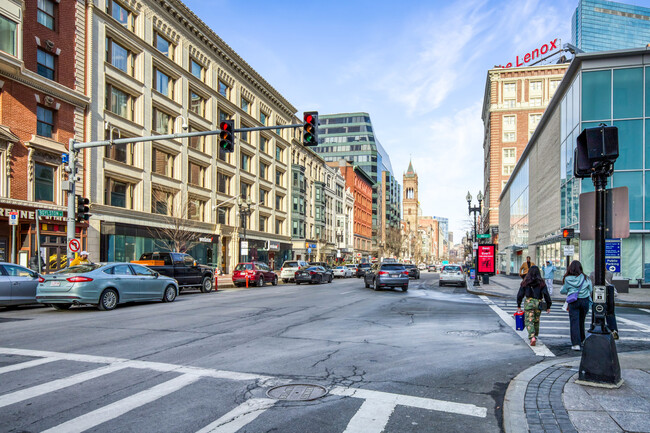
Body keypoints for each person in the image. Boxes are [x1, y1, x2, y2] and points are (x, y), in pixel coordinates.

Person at [560, 260, 593, 351]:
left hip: (573, 301)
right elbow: (590, 289)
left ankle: (576, 344)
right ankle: (582, 339)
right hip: (584, 300)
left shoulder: (567, 279)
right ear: (580, 268)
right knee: (581, 321)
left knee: (574, 322)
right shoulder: (586, 278)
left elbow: (563, 290)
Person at [517, 266, 552, 347]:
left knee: (529, 321)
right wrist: (548, 306)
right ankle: (535, 336)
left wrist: (518, 305)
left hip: (529, 303)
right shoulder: (541, 282)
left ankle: (532, 336)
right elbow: (546, 294)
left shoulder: (525, 282)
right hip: (538, 303)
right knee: (536, 320)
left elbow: (520, 294)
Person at [589, 269, 619, 340]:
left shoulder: (592, 273)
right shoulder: (609, 274)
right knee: (610, 313)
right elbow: (609, 281)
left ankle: (595, 326)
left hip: (596, 293)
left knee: (596, 311)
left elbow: (591, 284)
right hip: (608, 294)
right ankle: (613, 329)